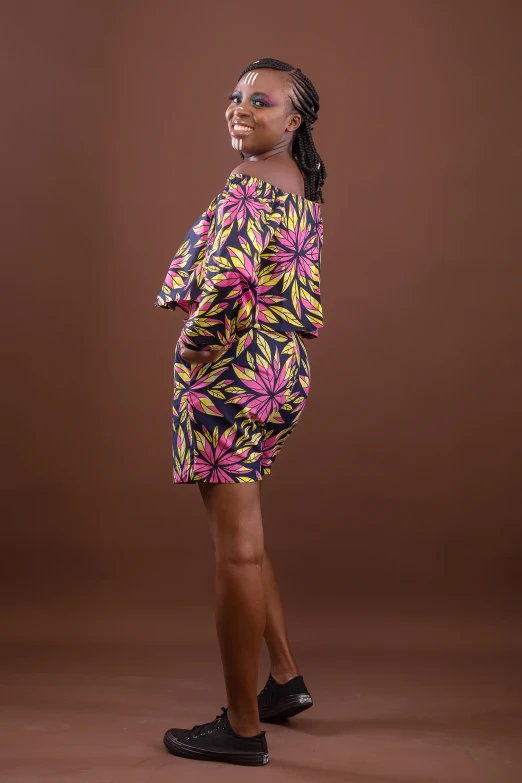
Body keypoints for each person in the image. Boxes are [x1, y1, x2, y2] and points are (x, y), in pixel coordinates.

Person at [154, 57, 326, 766]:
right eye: (234, 97)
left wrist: (193, 348)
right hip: (279, 368)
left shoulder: (251, 182)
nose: (240, 108)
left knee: (235, 551)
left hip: (231, 369)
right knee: (247, 537)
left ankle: (243, 728)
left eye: (261, 100)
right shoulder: (301, 185)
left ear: (294, 119)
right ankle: (284, 678)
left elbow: (229, 279)